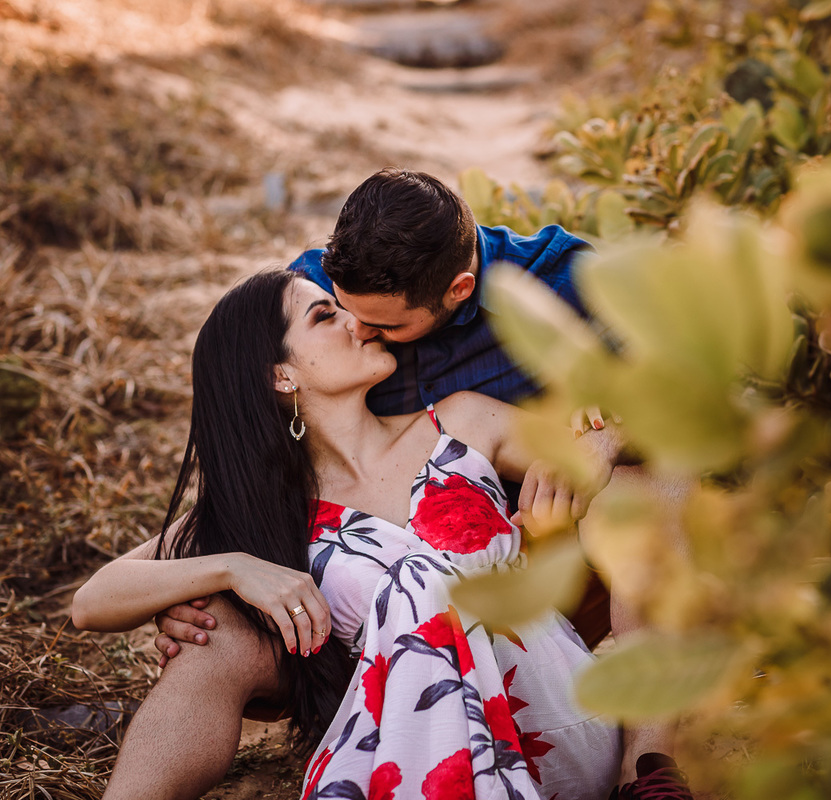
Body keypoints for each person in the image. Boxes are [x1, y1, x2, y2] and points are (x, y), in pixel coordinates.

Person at [146, 169, 695, 798]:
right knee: (211, 641)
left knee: (647, 485)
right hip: (353, 616)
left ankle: (648, 770)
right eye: (339, 312)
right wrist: (210, 575)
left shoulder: (561, 284)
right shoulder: (316, 294)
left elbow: (687, 383)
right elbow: (236, 447)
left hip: (531, 568)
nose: (358, 329)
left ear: (458, 290)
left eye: (384, 326)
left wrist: (603, 439)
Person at [73, 271, 624, 799]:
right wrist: (232, 566)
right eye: (325, 316)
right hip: (405, 747)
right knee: (229, 636)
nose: (358, 323)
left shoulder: (463, 424)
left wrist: (603, 440)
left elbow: (615, 440)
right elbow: (92, 602)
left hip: (549, 710)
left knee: (424, 578)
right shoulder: (270, 509)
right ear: (280, 375)